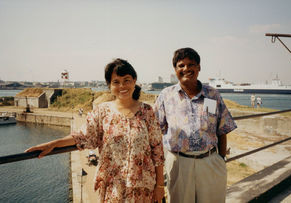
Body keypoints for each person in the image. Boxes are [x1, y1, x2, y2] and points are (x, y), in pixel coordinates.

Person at [26, 58, 165, 202]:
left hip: (143, 188)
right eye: (116, 82)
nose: (122, 85)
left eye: (127, 80)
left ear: (134, 81)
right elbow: (83, 136)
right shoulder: (102, 111)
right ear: (109, 85)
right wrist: (53, 144)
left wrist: (160, 186)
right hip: (113, 188)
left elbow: (157, 151)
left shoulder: (147, 111)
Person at [154, 48, 237, 203]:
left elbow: (222, 129)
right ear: (175, 69)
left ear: (199, 67)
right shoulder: (166, 96)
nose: (186, 69)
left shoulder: (212, 95)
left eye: (191, 64)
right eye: (181, 65)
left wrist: (221, 158)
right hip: (179, 164)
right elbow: (154, 133)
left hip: (210, 162)